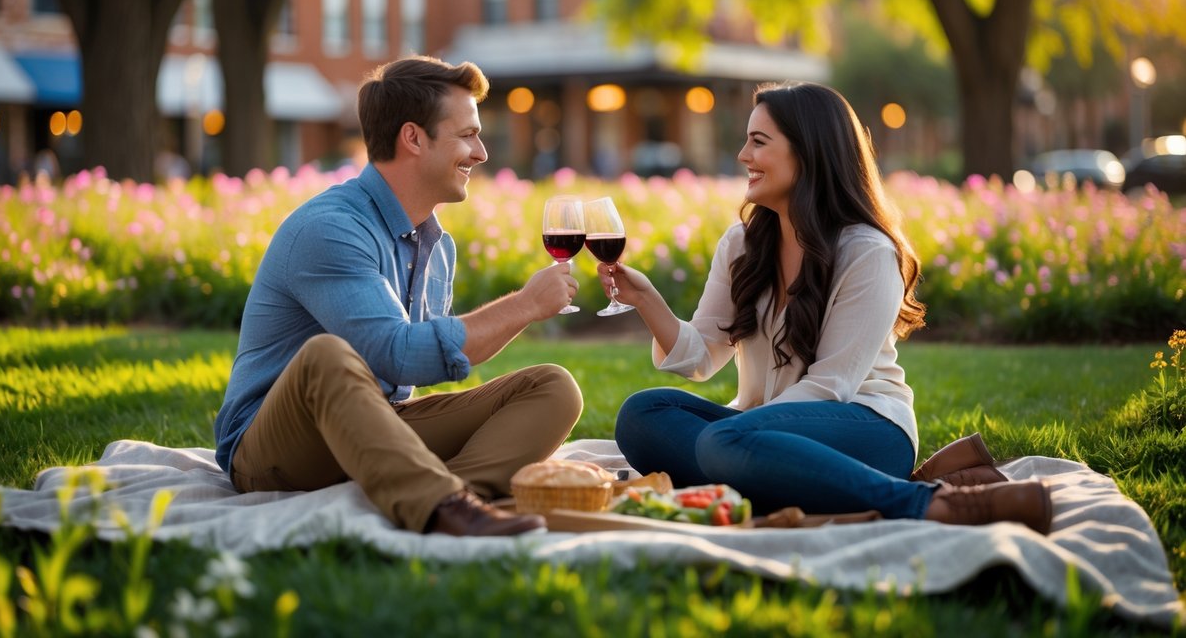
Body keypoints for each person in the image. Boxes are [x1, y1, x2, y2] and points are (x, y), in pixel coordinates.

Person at [603, 81, 1052, 533]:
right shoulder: (740, 245)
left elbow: (831, 386)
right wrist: (644, 298)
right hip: (755, 432)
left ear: (809, 152)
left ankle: (928, 503)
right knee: (644, 414)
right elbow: (701, 357)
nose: (742, 155)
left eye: (758, 142)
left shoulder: (869, 252)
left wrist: (740, 438)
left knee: (724, 441)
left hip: (863, 426)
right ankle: (788, 485)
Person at [214, 56, 584, 537]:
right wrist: (526, 305)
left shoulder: (435, 244)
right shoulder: (330, 228)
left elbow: (432, 360)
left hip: (375, 425)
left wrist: (524, 314)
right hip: (272, 447)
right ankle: (441, 507)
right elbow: (398, 354)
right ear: (413, 138)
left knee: (553, 387)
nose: (482, 153)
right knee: (325, 355)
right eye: (467, 135)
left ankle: (454, 495)